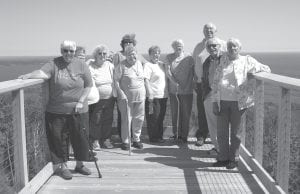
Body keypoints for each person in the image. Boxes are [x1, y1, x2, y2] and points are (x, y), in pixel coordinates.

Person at [18, 40, 93, 180]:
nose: (68, 53)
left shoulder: (81, 64)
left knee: (81, 138)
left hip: (79, 109)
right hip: (56, 110)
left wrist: (81, 100)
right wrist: (29, 75)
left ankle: (80, 164)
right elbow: (43, 73)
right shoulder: (54, 63)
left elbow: (89, 85)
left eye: (71, 51)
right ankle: (63, 167)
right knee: (59, 139)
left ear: (74, 51)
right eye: (65, 50)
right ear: (61, 51)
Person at [211, 38, 271, 169]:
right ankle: (223, 158)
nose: (232, 48)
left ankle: (234, 159)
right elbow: (215, 81)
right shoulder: (223, 60)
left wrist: (252, 72)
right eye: (230, 46)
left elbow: (266, 69)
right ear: (226, 48)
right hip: (222, 101)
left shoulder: (247, 60)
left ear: (240, 48)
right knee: (221, 132)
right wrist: (214, 101)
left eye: (235, 46)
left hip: (239, 102)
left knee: (236, 133)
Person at [192, 23, 226, 146]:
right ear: (203, 31)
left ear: (216, 30)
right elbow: (194, 62)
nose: (209, 31)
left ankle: (219, 142)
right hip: (202, 84)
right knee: (202, 111)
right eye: (206, 29)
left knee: (218, 114)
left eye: (211, 29)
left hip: (218, 86)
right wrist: (194, 79)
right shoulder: (198, 46)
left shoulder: (222, 44)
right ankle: (202, 135)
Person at [113, 33, 147, 139]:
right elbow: (116, 79)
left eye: (134, 54)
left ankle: (136, 138)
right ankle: (125, 141)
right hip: (126, 97)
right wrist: (120, 93)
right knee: (126, 119)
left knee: (139, 118)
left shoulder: (140, 63)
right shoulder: (121, 64)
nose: (132, 56)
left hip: (140, 96)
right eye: (129, 55)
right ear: (126, 55)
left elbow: (147, 67)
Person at [166, 39, 194, 143]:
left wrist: (187, 85)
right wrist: (175, 83)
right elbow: (168, 72)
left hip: (187, 90)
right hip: (174, 90)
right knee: (175, 113)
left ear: (183, 46)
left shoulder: (189, 57)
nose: (179, 46)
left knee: (185, 113)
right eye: (176, 45)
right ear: (173, 47)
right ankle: (176, 134)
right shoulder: (169, 57)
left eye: (180, 45)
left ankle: (184, 136)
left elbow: (192, 73)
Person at [88, 44, 116, 149]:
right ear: (95, 55)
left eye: (104, 53)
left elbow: (114, 80)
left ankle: (106, 139)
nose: (102, 55)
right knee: (96, 119)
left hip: (110, 98)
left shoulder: (110, 65)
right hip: (97, 99)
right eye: (100, 53)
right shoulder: (91, 66)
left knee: (108, 119)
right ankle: (95, 140)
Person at [201, 38, 223, 155]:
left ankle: (225, 149)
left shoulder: (226, 59)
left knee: (224, 123)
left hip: (224, 95)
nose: (212, 48)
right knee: (212, 123)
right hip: (210, 94)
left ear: (219, 46)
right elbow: (204, 79)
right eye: (209, 46)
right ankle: (218, 147)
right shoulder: (206, 62)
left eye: (214, 45)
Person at [144, 46, 168, 143]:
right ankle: (154, 138)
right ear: (150, 55)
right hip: (153, 96)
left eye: (158, 52)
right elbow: (146, 80)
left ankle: (159, 136)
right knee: (153, 117)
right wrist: (150, 93)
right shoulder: (148, 65)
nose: (156, 55)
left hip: (163, 95)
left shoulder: (161, 65)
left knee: (161, 117)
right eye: (154, 53)